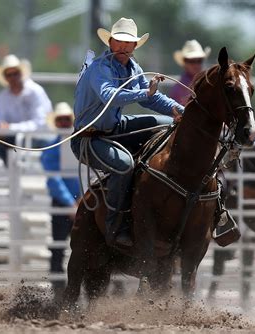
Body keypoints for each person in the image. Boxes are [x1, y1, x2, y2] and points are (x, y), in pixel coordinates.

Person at [70, 17, 184, 248]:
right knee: (124, 165)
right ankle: (114, 226)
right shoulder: (99, 68)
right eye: (119, 41)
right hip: (88, 138)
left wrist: (183, 112)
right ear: (110, 42)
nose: (123, 46)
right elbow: (109, 96)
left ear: (134, 46)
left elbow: (152, 99)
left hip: (113, 128)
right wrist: (146, 93)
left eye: (128, 42)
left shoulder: (133, 68)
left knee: (165, 125)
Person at [40, 102, 80, 298]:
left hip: (81, 202)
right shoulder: (53, 147)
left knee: (85, 247)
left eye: (67, 119)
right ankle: (59, 293)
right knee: (59, 248)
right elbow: (53, 179)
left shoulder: (76, 143)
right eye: (61, 119)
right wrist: (73, 204)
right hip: (71, 204)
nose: (64, 122)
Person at [0, 54, 52, 166]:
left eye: (15, 73)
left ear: (21, 73)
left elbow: (40, 123)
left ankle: (15, 172)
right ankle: (13, 172)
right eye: (9, 74)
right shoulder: (2, 97)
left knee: (49, 143)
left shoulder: (36, 92)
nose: (13, 77)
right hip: (16, 140)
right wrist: (2, 130)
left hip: (39, 138)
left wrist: (10, 128)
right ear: (5, 77)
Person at [169, 40, 211, 106]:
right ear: (185, 63)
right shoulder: (178, 89)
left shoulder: (209, 82)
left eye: (199, 61)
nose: (196, 65)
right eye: (192, 61)